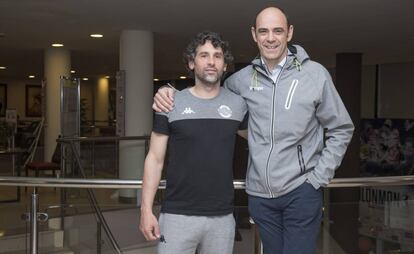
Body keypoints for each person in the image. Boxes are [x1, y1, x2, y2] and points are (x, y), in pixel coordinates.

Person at [153, 6, 354, 254]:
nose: (270, 38)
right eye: (264, 31)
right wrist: (169, 92)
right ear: (254, 35)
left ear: (289, 33)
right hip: (260, 197)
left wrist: (317, 177)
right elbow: (211, 96)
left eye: (278, 31)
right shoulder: (240, 81)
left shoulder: (315, 75)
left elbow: (341, 128)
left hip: (301, 191)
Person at [139, 31, 247, 254]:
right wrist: (145, 210)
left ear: (225, 65)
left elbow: (265, 141)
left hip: (222, 216)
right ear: (191, 62)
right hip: (177, 215)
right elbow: (155, 158)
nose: (211, 62)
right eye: (204, 55)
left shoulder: (238, 105)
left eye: (218, 56)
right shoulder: (170, 102)